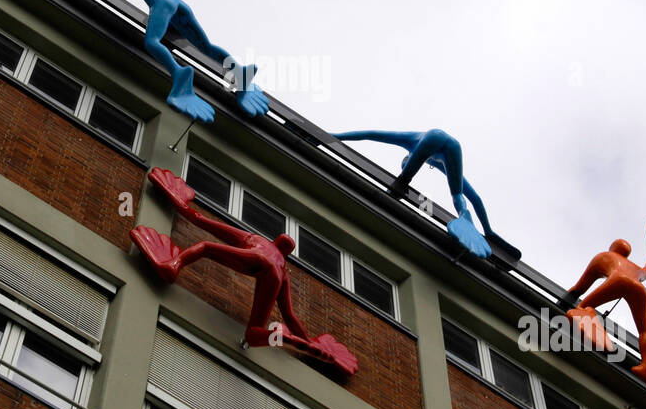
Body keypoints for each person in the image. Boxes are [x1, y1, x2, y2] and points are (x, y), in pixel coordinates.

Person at [32, 0, 268, 123]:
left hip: (162, 2)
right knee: (205, 45)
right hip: (178, 2)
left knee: (152, 41)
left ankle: (180, 74)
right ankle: (238, 71)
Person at [130, 168, 356, 375]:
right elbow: (289, 314)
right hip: (272, 277)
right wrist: (309, 341)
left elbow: (202, 221)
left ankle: (174, 265)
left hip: (256, 258)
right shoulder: (282, 269)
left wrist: (180, 202)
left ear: (276, 241)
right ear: (285, 253)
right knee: (253, 331)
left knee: (207, 247)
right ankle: (278, 337)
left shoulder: (258, 241)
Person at [558, 217, 646, 406]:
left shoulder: (603, 256)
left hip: (618, 280)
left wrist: (570, 295)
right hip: (638, 288)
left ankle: (588, 320)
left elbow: (582, 284)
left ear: (613, 248)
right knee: (644, 331)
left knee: (583, 307)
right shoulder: (635, 267)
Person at [332, 128, 497, 258]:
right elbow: (475, 197)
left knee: (403, 179)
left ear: (408, 157)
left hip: (433, 136)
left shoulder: (410, 141)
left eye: (407, 162)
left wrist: (335, 137)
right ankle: (464, 215)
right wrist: (488, 231)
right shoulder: (438, 161)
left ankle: (391, 194)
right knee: (457, 194)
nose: (409, 163)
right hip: (454, 146)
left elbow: (371, 134)